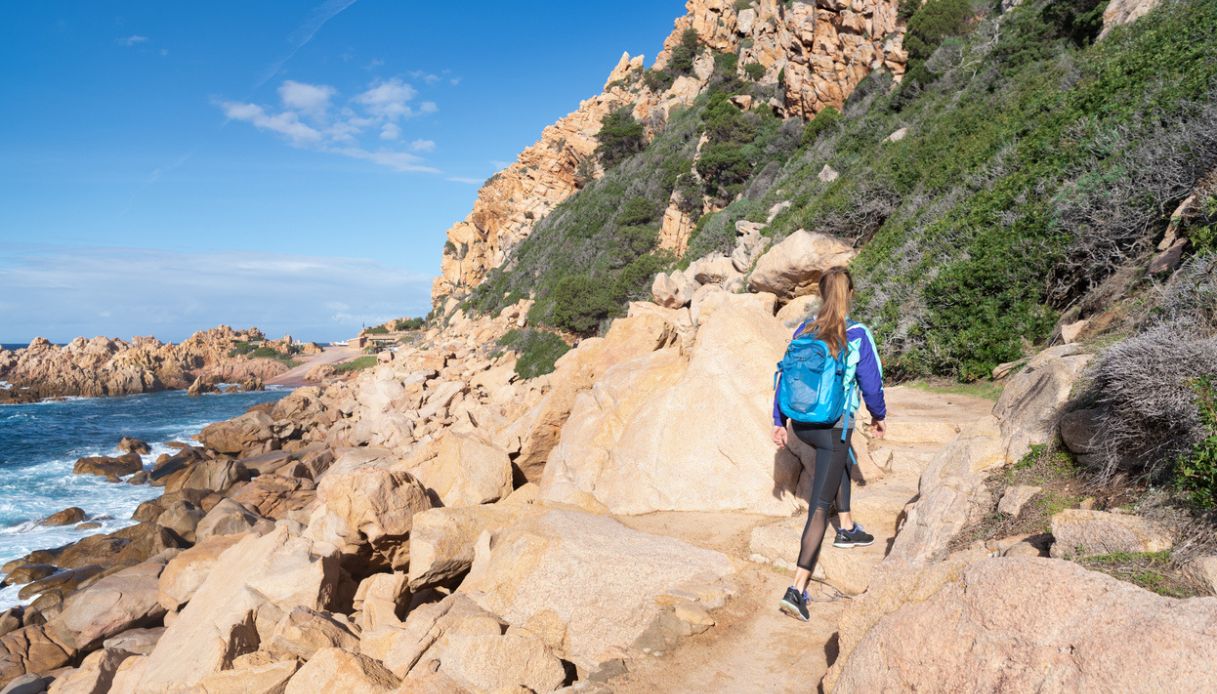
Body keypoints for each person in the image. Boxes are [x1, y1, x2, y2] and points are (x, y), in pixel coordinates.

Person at [771, 266, 887, 622]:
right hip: (833, 426)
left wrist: (778, 421)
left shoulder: (804, 330)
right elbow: (872, 384)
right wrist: (879, 416)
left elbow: (785, 375)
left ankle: (847, 528)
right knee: (819, 508)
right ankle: (797, 589)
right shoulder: (857, 333)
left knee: (842, 458)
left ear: (821, 293)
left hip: (802, 424)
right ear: (849, 293)